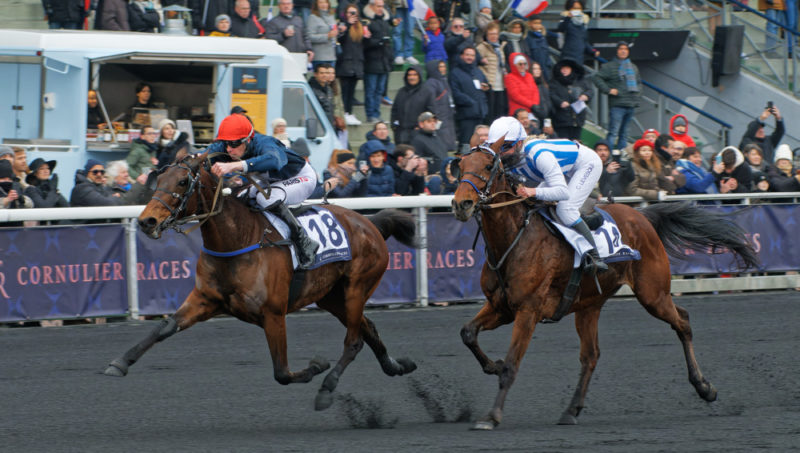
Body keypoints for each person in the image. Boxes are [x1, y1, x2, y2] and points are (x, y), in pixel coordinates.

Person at [489, 116, 607, 272]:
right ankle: (579, 223)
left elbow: (562, 192)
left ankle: (594, 256)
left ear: (518, 143)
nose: (501, 152)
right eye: (496, 146)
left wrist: (532, 191)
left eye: (506, 146)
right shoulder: (509, 156)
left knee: (565, 209)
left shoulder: (538, 154)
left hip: (586, 164)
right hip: (561, 169)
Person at [208, 114, 320, 268]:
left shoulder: (265, 142)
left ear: (247, 140)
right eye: (226, 143)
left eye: (233, 144)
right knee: (239, 197)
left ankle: (303, 240)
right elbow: (203, 155)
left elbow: (273, 160)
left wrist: (235, 165)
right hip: (273, 181)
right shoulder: (230, 146)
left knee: (265, 198)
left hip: (302, 177)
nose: (229, 149)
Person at [593, 41, 641, 152]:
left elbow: (639, 83)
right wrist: (608, 90)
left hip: (631, 103)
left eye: (626, 49)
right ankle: (608, 156)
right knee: (613, 132)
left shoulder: (633, 67)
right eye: (621, 49)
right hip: (617, 104)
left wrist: (638, 95)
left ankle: (621, 157)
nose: (623, 51)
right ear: (617, 51)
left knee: (624, 133)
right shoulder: (609, 66)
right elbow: (596, 78)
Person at [450, 45, 489, 149]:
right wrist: (471, 102)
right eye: (467, 54)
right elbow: (455, 93)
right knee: (466, 145)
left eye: (472, 55)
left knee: (480, 145)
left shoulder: (477, 71)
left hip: (480, 113)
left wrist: (486, 87)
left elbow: (486, 83)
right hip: (466, 115)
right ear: (462, 56)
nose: (470, 57)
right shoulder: (455, 72)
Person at [362, 0, 394, 123]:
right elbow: (365, 42)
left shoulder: (385, 22)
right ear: (371, 6)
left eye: (382, 6)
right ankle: (370, 114)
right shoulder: (366, 22)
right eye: (378, 6)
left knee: (379, 91)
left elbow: (388, 44)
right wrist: (379, 42)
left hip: (384, 61)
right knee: (371, 90)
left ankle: (377, 113)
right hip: (371, 61)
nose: (381, 8)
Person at [337, 4, 367, 126]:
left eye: (354, 12)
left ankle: (349, 112)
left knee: (351, 92)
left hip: (357, 63)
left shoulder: (361, 27)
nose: (352, 15)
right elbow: (341, 40)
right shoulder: (342, 25)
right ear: (345, 14)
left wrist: (368, 37)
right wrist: (348, 25)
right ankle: (344, 113)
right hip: (345, 63)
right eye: (350, 12)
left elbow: (364, 46)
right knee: (345, 91)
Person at [391, 66, 435, 145]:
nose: (412, 77)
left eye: (415, 75)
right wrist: (394, 126)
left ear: (419, 76)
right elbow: (394, 110)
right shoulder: (401, 92)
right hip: (401, 133)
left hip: (418, 133)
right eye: (409, 75)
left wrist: (421, 127)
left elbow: (431, 112)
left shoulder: (427, 92)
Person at [549, 59, 592, 141]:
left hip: (578, 120)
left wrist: (586, 95)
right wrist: (560, 102)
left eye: (567, 68)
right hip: (561, 120)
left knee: (577, 144)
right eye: (562, 68)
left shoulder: (579, 81)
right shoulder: (554, 82)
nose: (564, 70)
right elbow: (551, 94)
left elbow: (589, 90)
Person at [477, 23, 508, 123]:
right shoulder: (482, 47)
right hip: (490, 84)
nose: (493, 36)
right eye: (491, 34)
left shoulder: (500, 47)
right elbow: (477, 65)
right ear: (486, 35)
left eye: (495, 34)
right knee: (490, 114)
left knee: (500, 113)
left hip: (501, 84)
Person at [423, 60, 457, 151]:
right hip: (440, 116)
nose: (443, 69)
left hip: (447, 115)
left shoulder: (443, 80)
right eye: (440, 67)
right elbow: (431, 101)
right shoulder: (431, 83)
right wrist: (436, 114)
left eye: (444, 66)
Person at [557, 0, 599, 65]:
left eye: (579, 8)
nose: (577, 10)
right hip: (567, 55)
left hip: (579, 56)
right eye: (574, 8)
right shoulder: (565, 19)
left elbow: (584, 41)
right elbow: (561, 29)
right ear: (569, 8)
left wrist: (593, 51)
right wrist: (568, 17)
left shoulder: (583, 23)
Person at [504, 53, 539, 119]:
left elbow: (535, 92)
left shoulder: (529, 76)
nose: (523, 66)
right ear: (514, 65)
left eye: (524, 64)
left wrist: (535, 104)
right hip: (518, 112)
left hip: (531, 111)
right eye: (520, 64)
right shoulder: (509, 77)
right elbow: (515, 95)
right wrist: (531, 105)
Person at [0, 160, 33, 227]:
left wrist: (22, 199)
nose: (6, 181)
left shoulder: (16, 186)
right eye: (3, 178)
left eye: (9, 179)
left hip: (17, 230)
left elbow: (31, 205)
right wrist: (6, 200)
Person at [307, 0, 338, 68]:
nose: (323, 4)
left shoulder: (331, 17)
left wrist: (339, 32)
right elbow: (310, 37)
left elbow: (334, 34)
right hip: (319, 57)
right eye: (321, 2)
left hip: (332, 56)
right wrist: (327, 36)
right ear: (316, 5)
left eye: (325, 2)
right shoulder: (313, 17)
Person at [524, 15, 552, 81]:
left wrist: (549, 64)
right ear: (529, 24)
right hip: (534, 71)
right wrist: (533, 66)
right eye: (535, 23)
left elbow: (547, 53)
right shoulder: (527, 38)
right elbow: (527, 54)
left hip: (545, 70)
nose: (538, 25)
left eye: (539, 23)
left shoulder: (543, 37)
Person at [392, 0, 417, 65]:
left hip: (411, 5)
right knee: (397, 30)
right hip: (397, 5)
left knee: (410, 31)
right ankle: (398, 54)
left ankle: (408, 54)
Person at [529, 61, 553, 127]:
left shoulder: (544, 85)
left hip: (546, 117)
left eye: (539, 69)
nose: (537, 71)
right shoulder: (529, 84)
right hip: (535, 117)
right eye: (535, 69)